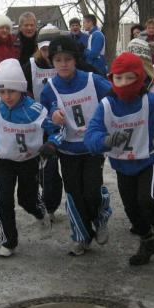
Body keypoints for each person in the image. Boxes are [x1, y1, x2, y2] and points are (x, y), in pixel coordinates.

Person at [85, 52, 154, 266]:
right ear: (111, 78)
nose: (124, 83)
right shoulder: (106, 105)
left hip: (150, 160)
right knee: (131, 209)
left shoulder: (150, 101)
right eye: (118, 78)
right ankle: (147, 240)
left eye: (129, 78)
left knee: (148, 199)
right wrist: (105, 140)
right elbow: (91, 134)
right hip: (123, 165)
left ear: (140, 78)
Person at [40, 35, 113, 256]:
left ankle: (100, 218)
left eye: (68, 59)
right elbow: (45, 119)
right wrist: (52, 117)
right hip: (67, 149)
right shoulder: (49, 89)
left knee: (92, 191)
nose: (63, 64)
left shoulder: (92, 80)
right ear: (52, 62)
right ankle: (82, 236)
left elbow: (114, 98)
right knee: (73, 195)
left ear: (75, 60)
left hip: (92, 147)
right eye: (58, 60)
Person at [0, 59, 57, 258]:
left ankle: (39, 212)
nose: (7, 96)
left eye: (12, 91)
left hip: (28, 161)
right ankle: (9, 241)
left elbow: (55, 129)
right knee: (4, 201)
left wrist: (51, 143)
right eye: (2, 91)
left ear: (21, 89)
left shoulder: (34, 110)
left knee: (26, 200)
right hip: (3, 160)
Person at [22, 24, 63, 219]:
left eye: (51, 49)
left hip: (66, 121)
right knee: (48, 168)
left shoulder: (65, 62)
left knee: (66, 167)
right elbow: (21, 90)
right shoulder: (30, 66)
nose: (48, 54)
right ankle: (51, 205)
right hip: (42, 124)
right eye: (44, 49)